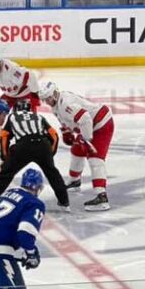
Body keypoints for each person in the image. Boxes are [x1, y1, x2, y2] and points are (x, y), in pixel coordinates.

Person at [38, 81, 114, 211]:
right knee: (77, 151)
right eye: (45, 99)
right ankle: (74, 181)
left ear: (55, 93)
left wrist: (86, 139)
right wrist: (67, 132)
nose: (47, 101)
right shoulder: (57, 104)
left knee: (95, 159)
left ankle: (102, 197)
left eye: (49, 97)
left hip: (101, 124)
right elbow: (67, 120)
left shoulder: (66, 103)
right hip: (89, 125)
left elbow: (85, 119)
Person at [0, 99, 69, 211]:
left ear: (15, 109)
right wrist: (50, 154)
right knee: (52, 173)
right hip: (42, 145)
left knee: (4, 175)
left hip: (22, 146)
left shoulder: (12, 117)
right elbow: (54, 135)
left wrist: (5, 159)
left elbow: (4, 137)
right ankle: (64, 202)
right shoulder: (38, 116)